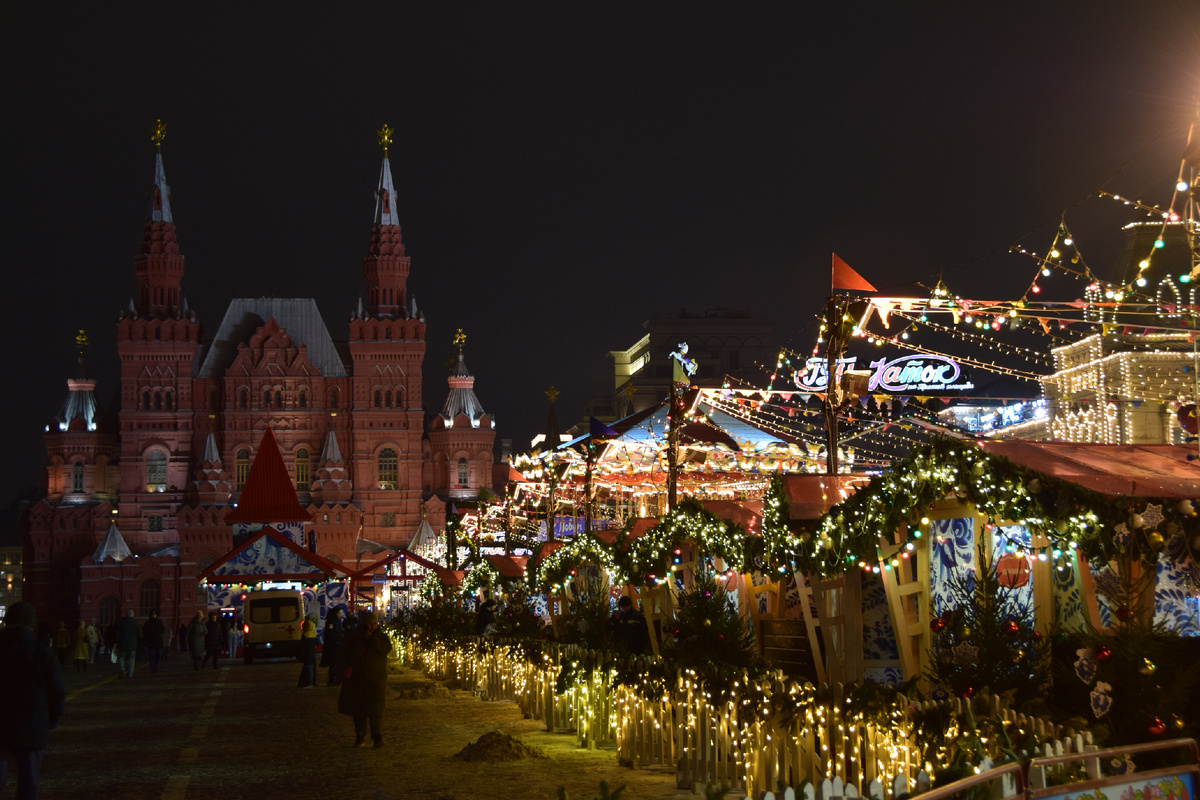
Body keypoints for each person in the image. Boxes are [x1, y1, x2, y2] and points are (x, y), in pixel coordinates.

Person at [0, 602, 65, 800]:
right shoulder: (42, 653)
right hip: (32, 726)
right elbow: (57, 693)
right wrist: (51, 721)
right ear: (32, 624)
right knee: (28, 784)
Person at [337, 609, 391, 748]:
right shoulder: (353, 637)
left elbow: (384, 649)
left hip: (375, 680)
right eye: (369, 623)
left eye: (374, 623)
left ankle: (377, 736)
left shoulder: (381, 637)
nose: (372, 626)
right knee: (358, 710)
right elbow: (347, 654)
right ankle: (360, 735)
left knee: (375, 710)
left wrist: (370, 638)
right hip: (357, 679)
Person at [320, 607, 345, 686]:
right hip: (333, 647)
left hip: (335, 646)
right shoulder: (332, 622)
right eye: (339, 613)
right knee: (333, 664)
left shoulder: (335, 621)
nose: (340, 615)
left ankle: (335, 679)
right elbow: (331, 634)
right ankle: (333, 680)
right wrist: (337, 640)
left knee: (335, 663)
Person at [114, 610, 140, 679]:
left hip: (122, 644)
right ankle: (129, 675)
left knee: (121, 658)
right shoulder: (135, 623)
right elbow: (140, 634)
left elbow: (117, 634)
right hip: (132, 644)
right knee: (131, 660)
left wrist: (116, 642)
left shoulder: (121, 623)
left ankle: (122, 669)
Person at [296, 616, 318, 689]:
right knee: (311, 668)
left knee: (308, 669)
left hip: (307, 656)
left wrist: (300, 656)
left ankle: (308, 682)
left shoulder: (306, 636)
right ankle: (312, 682)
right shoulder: (313, 635)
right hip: (312, 656)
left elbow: (303, 647)